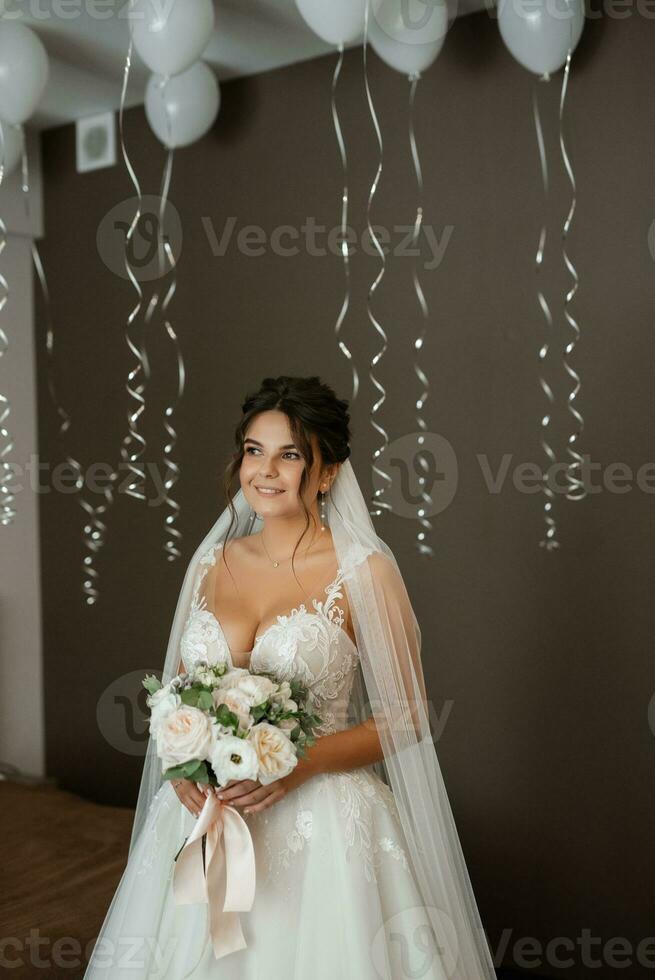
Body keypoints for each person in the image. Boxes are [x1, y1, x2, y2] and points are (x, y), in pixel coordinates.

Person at [84, 375, 497, 979]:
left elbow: (409, 717)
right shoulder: (211, 561)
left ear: (326, 472)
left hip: (322, 822)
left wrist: (298, 762)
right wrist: (183, 767)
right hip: (208, 814)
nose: (266, 471)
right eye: (254, 450)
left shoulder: (365, 571)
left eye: (291, 454)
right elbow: (177, 693)